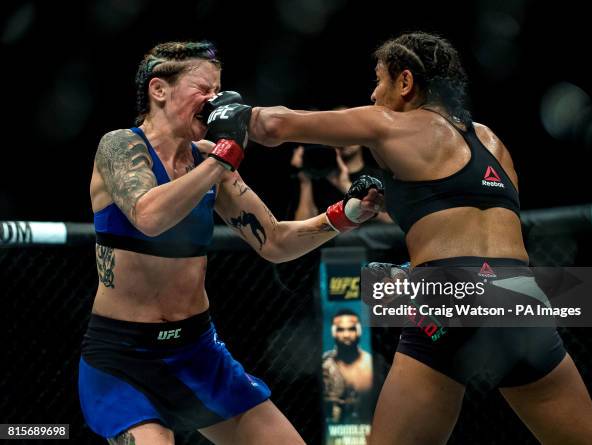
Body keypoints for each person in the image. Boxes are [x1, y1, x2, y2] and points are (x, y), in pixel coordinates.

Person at [244, 31, 592, 444]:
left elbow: (272, 125)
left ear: (405, 82)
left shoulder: (388, 122)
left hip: (447, 294)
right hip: (518, 296)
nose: (373, 92)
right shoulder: (493, 142)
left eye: (379, 80)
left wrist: (222, 109)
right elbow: (456, 217)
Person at [80, 40, 383, 445]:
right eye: (203, 89)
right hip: (123, 359)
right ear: (159, 90)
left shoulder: (208, 159)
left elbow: (273, 241)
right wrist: (221, 159)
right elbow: (149, 216)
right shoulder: (120, 146)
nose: (215, 101)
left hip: (197, 351)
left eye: (218, 91)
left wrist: (343, 216)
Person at [291, 141, 393, 223]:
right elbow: (303, 229)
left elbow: (393, 219)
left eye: (349, 135)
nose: (344, 140)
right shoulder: (316, 177)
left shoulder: (378, 177)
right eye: (338, 136)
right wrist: (305, 178)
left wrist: (346, 186)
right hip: (330, 246)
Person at [322, 309, 373, 424]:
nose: (346, 335)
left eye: (351, 329)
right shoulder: (325, 364)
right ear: (333, 332)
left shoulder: (370, 363)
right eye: (340, 330)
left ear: (359, 331)